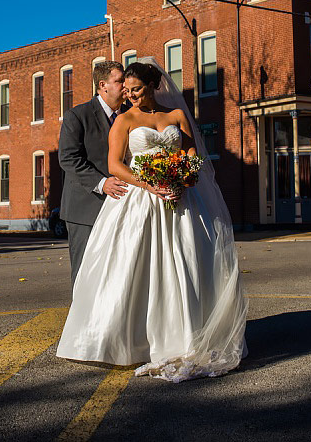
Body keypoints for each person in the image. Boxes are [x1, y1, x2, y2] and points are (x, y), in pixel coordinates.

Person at [56, 59, 247, 383]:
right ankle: (117, 340)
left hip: (178, 197)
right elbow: (113, 164)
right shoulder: (122, 119)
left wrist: (183, 178)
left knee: (185, 262)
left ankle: (186, 335)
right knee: (123, 268)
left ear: (152, 86)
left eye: (135, 89)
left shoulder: (175, 115)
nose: (129, 94)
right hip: (137, 199)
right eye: (124, 88)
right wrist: (148, 184)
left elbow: (190, 152)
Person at [57, 61, 132, 284]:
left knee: (119, 274)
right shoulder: (77, 116)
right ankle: (82, 319)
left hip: (123, 208)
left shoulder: (131, 115)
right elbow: (68, 158)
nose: (125, 86)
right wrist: (101, 183)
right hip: (85, 210)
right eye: (120, 81)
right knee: (85, 274)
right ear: (103, 85)